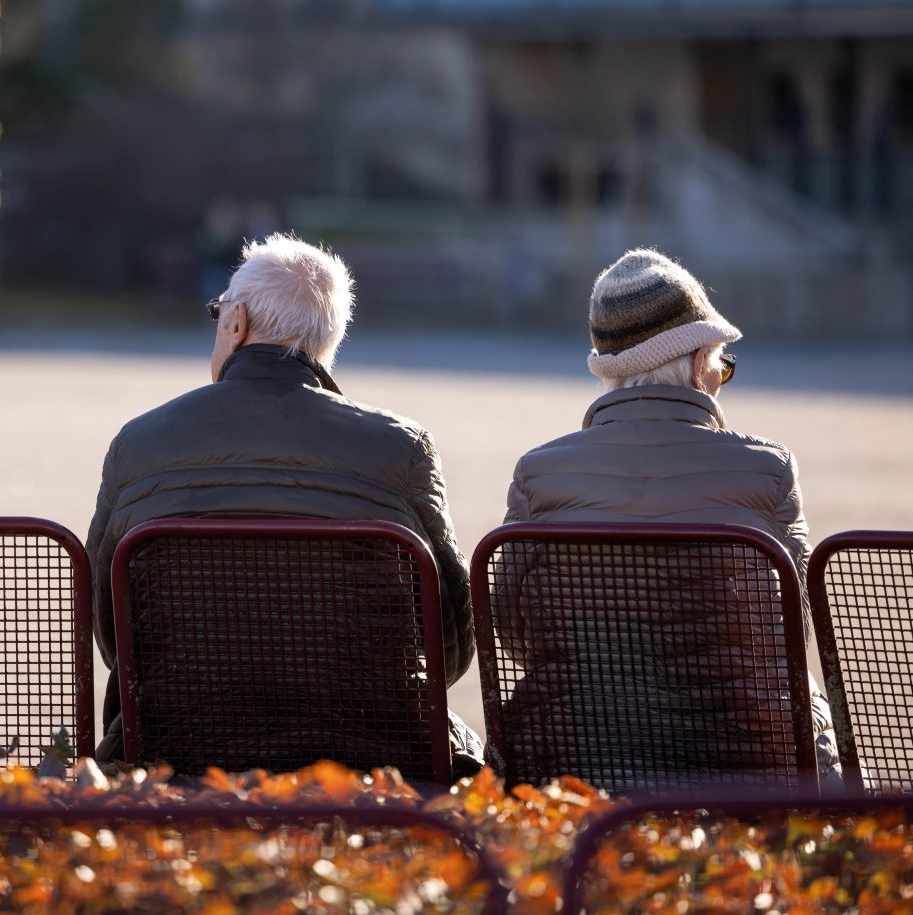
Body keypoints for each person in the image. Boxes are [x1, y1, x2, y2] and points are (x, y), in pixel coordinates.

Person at [87, 233, 479, 774]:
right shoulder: (400, 448)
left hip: (177, 749)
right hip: (369, 753)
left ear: (235, 322)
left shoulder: (139, 443)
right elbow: (450, 643)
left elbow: (112, 632)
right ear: (326, 343)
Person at [502, 247, 839, 784]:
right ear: (700, 358)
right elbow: (791, 632)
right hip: (750, 766)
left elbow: (516, 636)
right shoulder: (769, 471)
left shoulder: (538, 476)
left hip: (578, 766)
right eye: (721, 364)